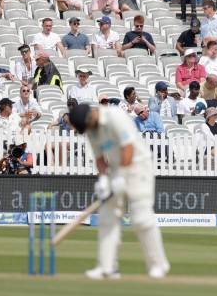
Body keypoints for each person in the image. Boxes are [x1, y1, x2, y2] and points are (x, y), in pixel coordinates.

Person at [68, 102, 170, 279]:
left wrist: (121, 177)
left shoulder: (115, 116)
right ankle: (107, 267)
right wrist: (103, 180)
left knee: (141, 218)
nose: (89, 129)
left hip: (139, 168)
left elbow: (128, 148)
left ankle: (158, 265)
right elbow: (100, 158)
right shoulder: (91, 129)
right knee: (107, 218)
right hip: (116, 170)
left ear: (92, 115)